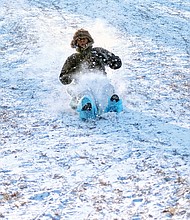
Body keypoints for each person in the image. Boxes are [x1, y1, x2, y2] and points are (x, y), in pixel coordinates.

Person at [59, 28, 123, 119]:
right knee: (84, 93)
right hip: (81, 85)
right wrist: (75, 72)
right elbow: (63, 78)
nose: (82, 42)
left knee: (106, 89)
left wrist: (113, 60)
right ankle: (86, 106)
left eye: (84, 39)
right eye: (79, 40)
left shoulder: (97, 52)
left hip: (100, 83)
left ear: (88, 40)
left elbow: (116, 63)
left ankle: (112, 103)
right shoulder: (73, 58)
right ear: (76, 42)